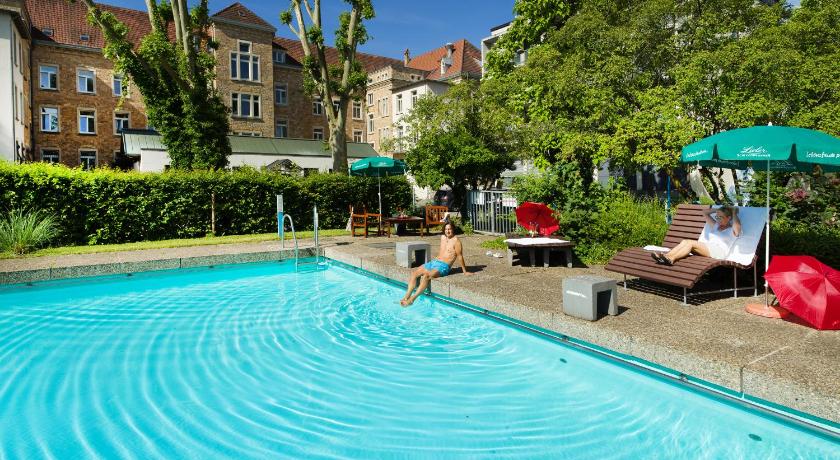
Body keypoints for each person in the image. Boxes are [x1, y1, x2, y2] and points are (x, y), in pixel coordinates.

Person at [400, 222, 472, 306]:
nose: (447, 231)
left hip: (443, 266)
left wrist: (464, 271)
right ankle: (406, 296)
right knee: (415, 273)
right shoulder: (442, 237)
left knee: (427, 276)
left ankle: (412, 299)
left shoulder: (456, 241)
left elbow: (460, 256)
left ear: (453, 229)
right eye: (446, 229)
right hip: (434, 262)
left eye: (449, 229)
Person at [652, 206, 741, 265]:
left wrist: (733, 212)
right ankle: (666, 256)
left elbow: (737, 227)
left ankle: (671, 259)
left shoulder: (732, 229)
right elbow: (705, 212)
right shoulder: (716, 226)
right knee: (685, 241)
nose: (718, 219)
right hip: (709, 248)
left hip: (719, 252)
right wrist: (717, 210)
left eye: (720, 217)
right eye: (717, 217)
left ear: (728, 218)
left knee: (690, 243)